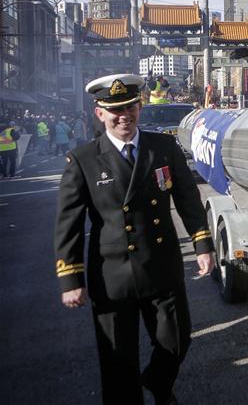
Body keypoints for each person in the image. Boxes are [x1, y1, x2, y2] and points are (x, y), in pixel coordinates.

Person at [54, 73, 215, 404]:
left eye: (130, 107)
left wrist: (202, 244)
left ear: (140, 107)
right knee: (118, 363)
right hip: (113, 276)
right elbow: (68, 222)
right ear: (99, 114)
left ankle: (157, 381)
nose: (123, 116)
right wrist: (70, 277)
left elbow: (187, 199)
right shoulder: (83, 160)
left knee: (177, 342)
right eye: (115, 110)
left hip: (161, 265)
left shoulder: (164, 148)